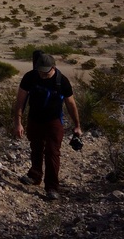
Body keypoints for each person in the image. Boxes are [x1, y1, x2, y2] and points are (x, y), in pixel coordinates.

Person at [12, 51, 81, 200]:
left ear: (53, 67)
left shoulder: (62, 81)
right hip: (34, 118)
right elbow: (20, 102)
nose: (42, 75)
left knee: (52, 152)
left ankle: (51, 187)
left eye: (45, 72)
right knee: (36, 147)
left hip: (54, 120)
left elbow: (71, 104)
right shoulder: (30, 77)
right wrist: (18, 123)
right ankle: (35, 175)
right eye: (40, 71)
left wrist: (77, 125)